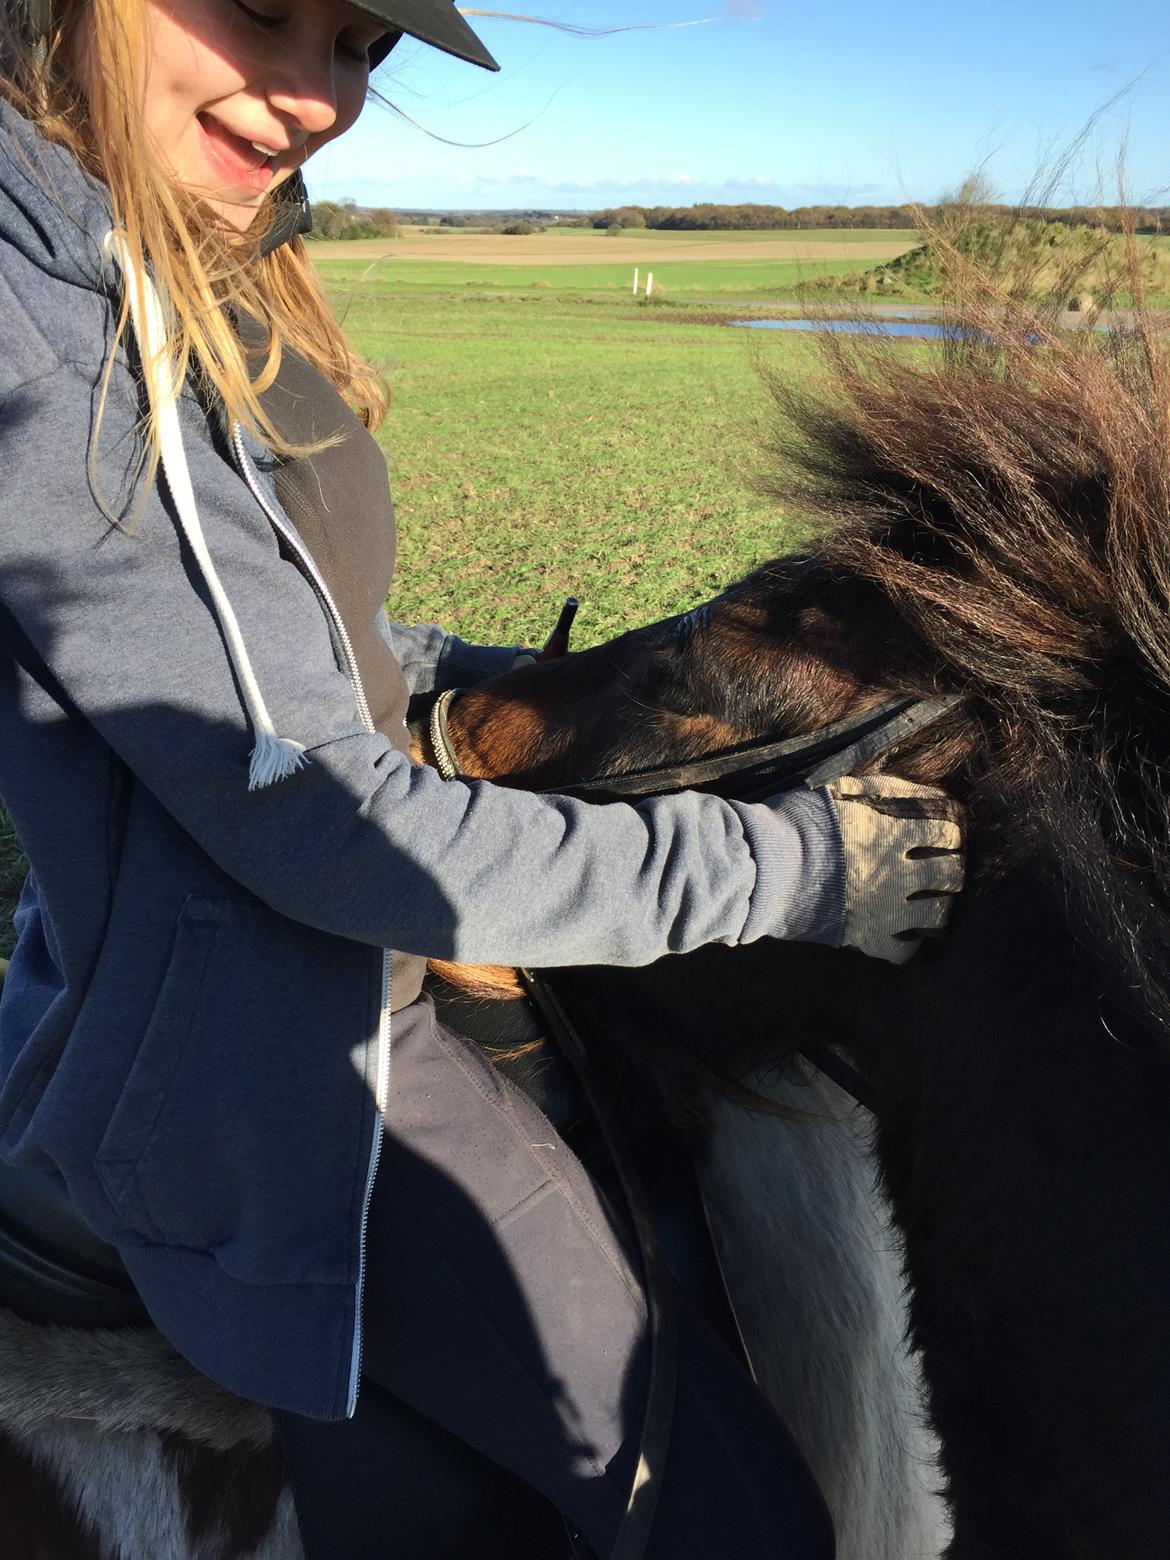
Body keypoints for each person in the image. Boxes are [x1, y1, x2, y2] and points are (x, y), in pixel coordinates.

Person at [0, 1, 964, 1555]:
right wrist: (795, 872)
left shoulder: (173, 255)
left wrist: (521, 682)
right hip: (290, 1062)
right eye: (261, 13)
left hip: (323, 982)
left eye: (363, 46)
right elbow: (319, 821)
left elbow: (301, 632)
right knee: (741, 1524)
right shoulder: (39, 338)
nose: (313, 96)